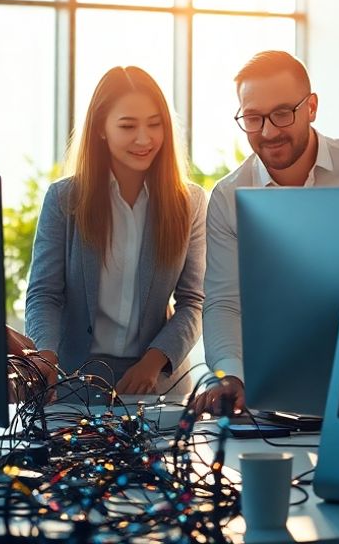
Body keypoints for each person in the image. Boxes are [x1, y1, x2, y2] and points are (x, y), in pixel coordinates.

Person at [191, 51, 339, 415]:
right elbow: (224, 302)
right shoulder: (230, 196)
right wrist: (230, 375)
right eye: (253, 118)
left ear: (311, 107)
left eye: (282, 114)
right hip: (273, 388)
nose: (268, 131)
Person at [24, 66, 207, 399]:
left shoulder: (190, 202)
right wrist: (45, 359)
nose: (144, 138)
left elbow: (193, 301)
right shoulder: (65, 199)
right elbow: (44, 294)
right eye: (127, 126)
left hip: (159, 385)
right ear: (101, 130)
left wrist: (153, 362)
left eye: (155, 125)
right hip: (72, 383)